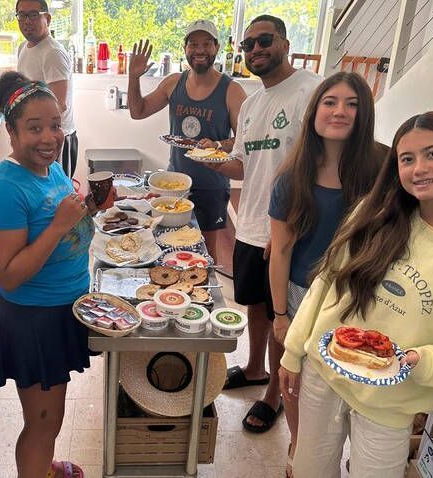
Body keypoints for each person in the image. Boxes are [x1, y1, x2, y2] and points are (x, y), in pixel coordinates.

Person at [280, 111, 433, 478]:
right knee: (309, 470)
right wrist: (293, 351)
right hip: (325, 372)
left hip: (393, 399)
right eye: (407, 159)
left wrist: (420, 361)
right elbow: (325, 284)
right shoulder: (373, 214)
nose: (418, 169)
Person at [0, 71, 93, 478]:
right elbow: (8, 276)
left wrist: (88, 211)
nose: (49, 137)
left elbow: (62, 218)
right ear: (10, 131)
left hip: (58, 312)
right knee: (42, 422)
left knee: (50, 417)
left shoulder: (49, 168)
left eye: (55, 125)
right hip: (32, 321)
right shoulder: (4, 190)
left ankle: (44, 468)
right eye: (35, 127)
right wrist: (60, 225)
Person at [267, 72, 386, 477]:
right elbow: (280, 252)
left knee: (356, 380)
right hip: (303, 297)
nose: (340, 111)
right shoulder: (292, 178)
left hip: (363, 297)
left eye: (352, 104)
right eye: (330, 102)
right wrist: (280, 315)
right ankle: (299, 444)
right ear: (314, 111)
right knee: (297, 379)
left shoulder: (383, 171)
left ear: (365, 113)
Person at [208, 15, 321, 433]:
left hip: (288, 230)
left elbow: (322, 166)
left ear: (285, 44)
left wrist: (294, 227)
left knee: (281, 317)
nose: (255, 49)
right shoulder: (252, 104)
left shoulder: (311, 91)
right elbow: (243, 166)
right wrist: (213, 161)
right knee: (255, 304)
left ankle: (275, 392)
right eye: (248, 44)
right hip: (252, 223)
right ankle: (255, 368)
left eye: (264, 40)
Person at [127, 20, 246, 261]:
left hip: (212, 185)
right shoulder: (173, 83)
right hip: (175, 184)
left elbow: (244, 140)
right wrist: (133, 77)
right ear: (185, 48)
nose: (199, 50)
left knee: (206, 252)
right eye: (193, 44)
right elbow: (138, 112)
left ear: (217, 47)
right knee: (168, 245)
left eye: (206, 44)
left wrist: (217, 145)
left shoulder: (232, 90)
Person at [16, 0, 78, 178]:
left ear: (48, 19)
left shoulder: (52, 53)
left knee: (58, 192)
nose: (27, 21)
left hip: (56, 140)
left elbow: (59, 105)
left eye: (33, 15)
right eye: (22, 15)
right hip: (35, 137)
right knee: (39, 192)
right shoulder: (23, 48)